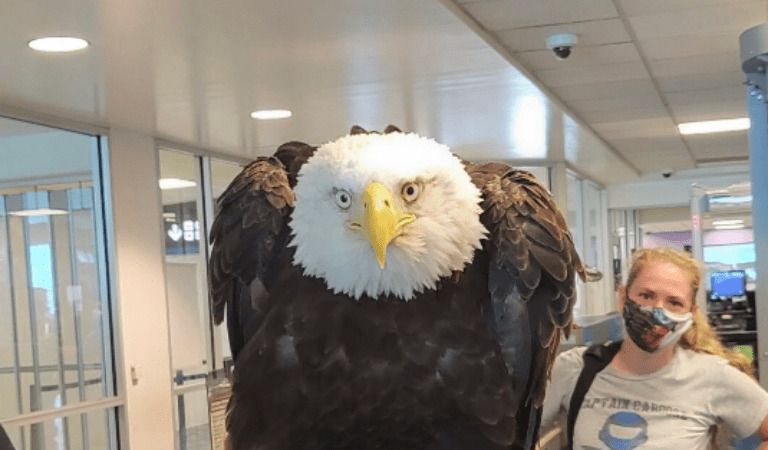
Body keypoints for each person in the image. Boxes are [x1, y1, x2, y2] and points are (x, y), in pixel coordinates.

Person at [541, 247, 768, 449]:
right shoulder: (575, 368)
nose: (657, 312)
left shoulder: (712, 376)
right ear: (623, 298)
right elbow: (512, 432)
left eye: (674, 302)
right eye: (646, 296)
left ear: (691, 313)